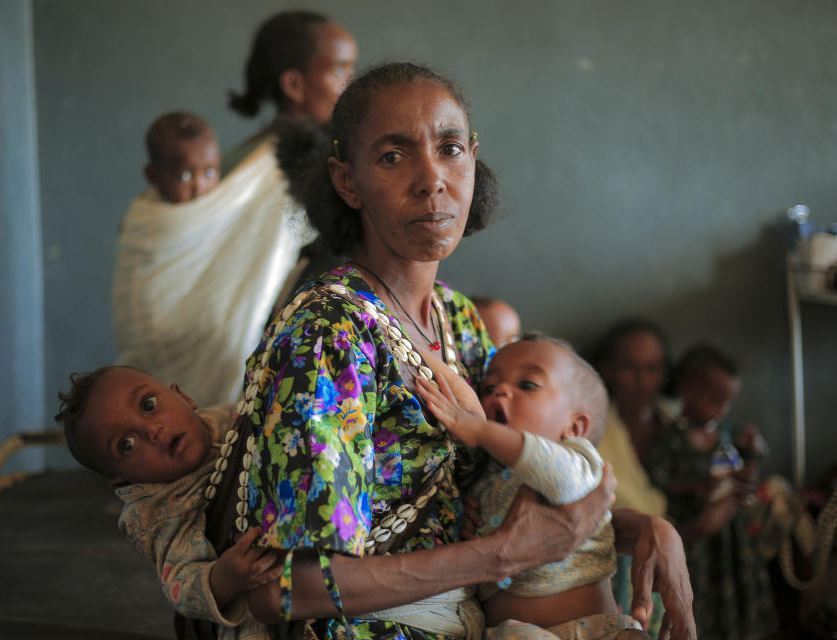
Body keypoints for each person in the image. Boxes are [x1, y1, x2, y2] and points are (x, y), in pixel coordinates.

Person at [197, 62, 695, 640]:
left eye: (450, 148)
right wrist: (500, 557)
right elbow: (283, 589)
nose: (431, 179)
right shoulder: (330, 334)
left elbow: (509, 488)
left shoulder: (457, 320)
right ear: (346, 180)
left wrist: (647, 531)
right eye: (392, 156)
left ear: (473, 159)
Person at [112, 11, 358, 408]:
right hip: (211, 340)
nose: (350, 85)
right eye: (339, 71)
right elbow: (178, 233)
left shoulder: (263, 156)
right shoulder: (287, 166)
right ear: (294, 84)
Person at [417, 334, 649, 639]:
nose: (500, 391)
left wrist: (479, 429)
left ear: (575, 427)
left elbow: (555, 475)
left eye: (527, 385)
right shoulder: (487, 478)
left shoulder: (578, 459)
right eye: (488, 388)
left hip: (596, 631)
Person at [54, 365, 279, 636]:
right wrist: (225, 578)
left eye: (148, 405)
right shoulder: (160, 511)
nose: (152, 431)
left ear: (183, 397)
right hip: (253, 609)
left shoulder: (233, 418)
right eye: (126, 444)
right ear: (123, 479)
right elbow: (181, 584)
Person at [648, 345, 778, 640]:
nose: (722, 409)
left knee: (735, 590)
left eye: (727, 402)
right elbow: (659, 477)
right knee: (701, 598)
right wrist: (697, 485)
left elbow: (744, 464)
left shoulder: (727, 432)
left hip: (732, 535)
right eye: (715, 400)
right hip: (697, 538)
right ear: (687, 391)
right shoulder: (672, 437)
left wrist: (751, 452)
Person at [143, 112, 221, 204]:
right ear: (154, 176)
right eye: (185, 176)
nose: (200, 188)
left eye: (209, 172)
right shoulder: (149, 216)